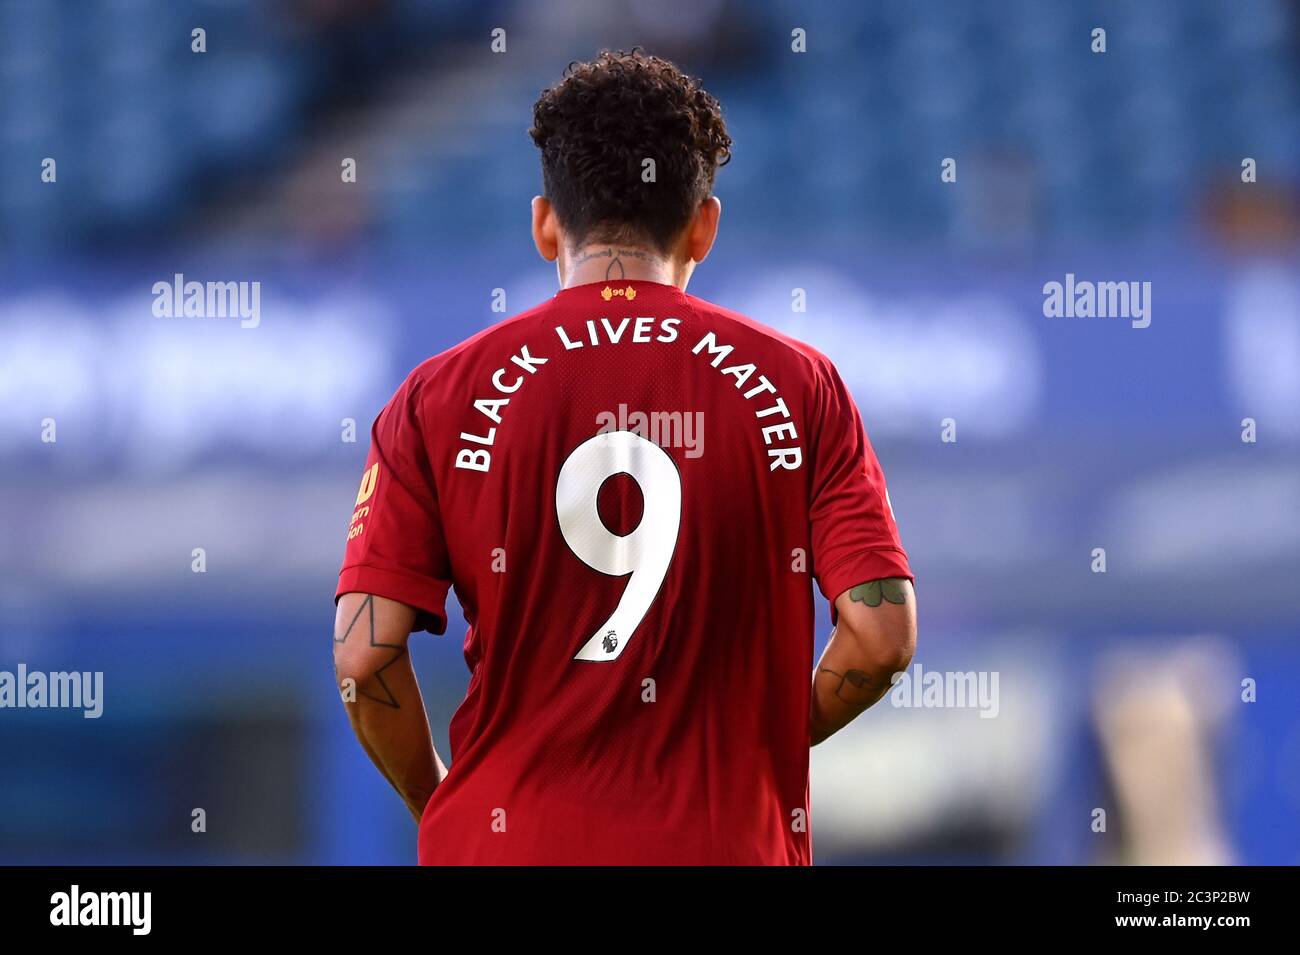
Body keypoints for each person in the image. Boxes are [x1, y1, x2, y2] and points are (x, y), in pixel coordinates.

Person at [333, 49, 916, 865]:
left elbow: (364, 654)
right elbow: (882, 634)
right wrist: (758, 746)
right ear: (705, 226)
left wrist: (445, 800)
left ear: (544, 223)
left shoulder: (436, 397)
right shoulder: (799, 386)